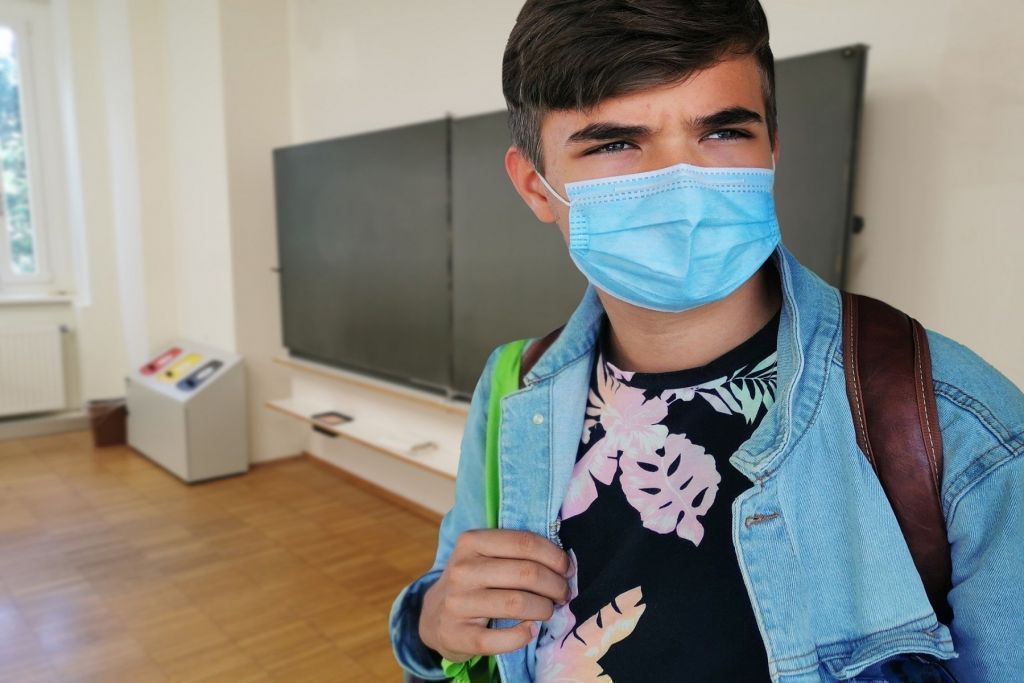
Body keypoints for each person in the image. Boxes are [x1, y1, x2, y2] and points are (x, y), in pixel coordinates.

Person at [390, 1, 1024, 681]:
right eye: (614, 143)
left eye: (723, 131)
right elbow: (460, 593)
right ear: (535, 187)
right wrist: (427, 626)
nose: (681, 181)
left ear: (771, 150)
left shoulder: (959, 423)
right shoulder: (517, 385)